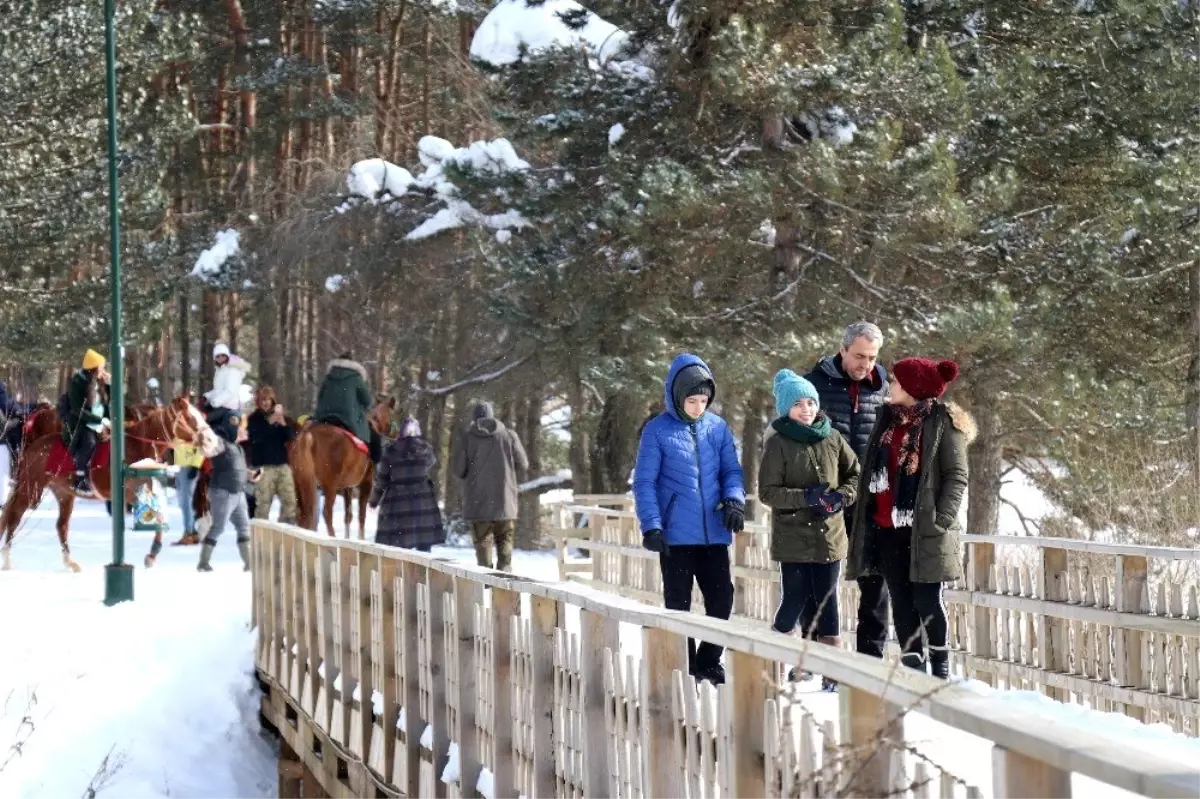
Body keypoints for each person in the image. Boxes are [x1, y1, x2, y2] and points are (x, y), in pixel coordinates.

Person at [847, 357, 973, 678]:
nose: (890, 386)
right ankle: (913, 667)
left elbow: (957, 476)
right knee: (901, 601)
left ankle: (941, 666)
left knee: (927, 600)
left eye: (896, 381)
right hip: (887, 527)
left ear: (913, 388)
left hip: (925, 530)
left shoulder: (944, 422)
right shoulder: (887, 420)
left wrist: (940, 520)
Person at [632, 353, 745, 685]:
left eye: (704, 400)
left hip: (714, 533)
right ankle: (685, 665)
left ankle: (708, 661)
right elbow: (645, 482)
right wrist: (651, 524)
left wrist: (734, 502)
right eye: (692, 400)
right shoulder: (657, 430)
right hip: (675, 537)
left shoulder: (718, 427)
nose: (699, 407)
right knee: (678, 607)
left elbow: (731, 471)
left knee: (721, 602)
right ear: (677, 396)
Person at [758, 370, 859, 691]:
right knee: (796, 599)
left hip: (830, 536)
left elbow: (855, 473)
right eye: (799, 404)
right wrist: (805, 498)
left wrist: (841, 497)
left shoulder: (833, 437)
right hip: (793, 538)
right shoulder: (778, 444)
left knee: (828, 601)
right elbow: (768, 491)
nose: (807, 409)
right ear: (786, 408)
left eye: (811, 402)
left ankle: (831, 670)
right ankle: (776, 661)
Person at [805, 322, 890, 659]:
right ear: (842, 350)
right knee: (822, 578)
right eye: (859, 356)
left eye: (871, 357)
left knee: (875, 579)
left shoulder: (884, 387)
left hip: (870, 496)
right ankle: (819, 656)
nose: (865, 364)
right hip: (827, 494)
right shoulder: (813, 385)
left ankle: (871, 658)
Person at [450, 401, 528, 571]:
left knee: (484, 560)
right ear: (493, 416)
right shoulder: (509, 436)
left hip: (479, 507)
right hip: (505, 504)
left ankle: (486, 590)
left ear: (474, 418)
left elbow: (458, 470)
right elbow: (523, 464)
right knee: (505, 557)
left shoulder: (466, 438)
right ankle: (505, 590)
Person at [370, 417, 444, 553]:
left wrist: (374, 500)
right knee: (424, 544)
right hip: (422, 502)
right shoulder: (426, 450)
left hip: (398, 503)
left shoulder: (391, 452)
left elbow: (382, 479)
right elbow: (432, 462)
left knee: (399, 547)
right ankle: (422, 572)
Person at [197, 405, 252, 572]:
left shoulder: (238, 447)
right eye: (241, 428)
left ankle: (249, 562)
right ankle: (203, 562)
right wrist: (204, 442)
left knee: (244, 526)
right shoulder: (221, 442)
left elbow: (237, 467)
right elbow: (208, 449)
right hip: (223, 492)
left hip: (237, 493)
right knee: (218, 527)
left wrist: (250, 474)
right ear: (233, 425)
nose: (244, 431)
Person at [313, 351, 379, 462]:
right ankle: (371, 468)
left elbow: (319, 398)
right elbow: (368, 401)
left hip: (324, 418)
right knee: (375, 440)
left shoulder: (328, 378)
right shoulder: (356, 378)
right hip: (349, 420)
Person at [63, 349, 112, 497]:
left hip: (100, 424)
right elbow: (78, 410)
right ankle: (80, 476)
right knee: (89, 443)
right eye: (101, 367)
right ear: (94, 369)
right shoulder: (77, 383)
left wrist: (108, 420)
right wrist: (99, 420)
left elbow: (107, 404)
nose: (104, 370)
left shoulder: (101, 383)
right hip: (82, 424)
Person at [246, 386, 297, 524]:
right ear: (258, 401)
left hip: (282, 465)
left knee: (290, 502)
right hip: (262, 467)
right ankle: (261, 540)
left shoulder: (281, 417)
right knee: (262, 505)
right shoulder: (253, 419)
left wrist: (283, 424)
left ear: (273, 400)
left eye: (268, 399)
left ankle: (285, 534)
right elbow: (255, 438)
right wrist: (269, 423)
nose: (265, 402)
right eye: (262, 400)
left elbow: (291, 436)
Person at [169, 434, 206, 546]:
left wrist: (195, 466)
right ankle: (192, 531)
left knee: (185, 502)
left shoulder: (193, 424)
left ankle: (188, 533)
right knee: (182, 502)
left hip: (189, 465)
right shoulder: (178, 427)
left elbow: (201, 445)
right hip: (180, 465)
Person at [205, 343, 251, 411]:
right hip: (221, 405)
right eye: (218, 356)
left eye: (223, 355)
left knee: (205, 418)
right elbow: (218, 391)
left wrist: (214, 402)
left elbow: (230, 392)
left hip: (229, 407)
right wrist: (206, 397)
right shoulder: (220, 371)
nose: (220, 358)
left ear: (227, 356)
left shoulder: (233, 370)